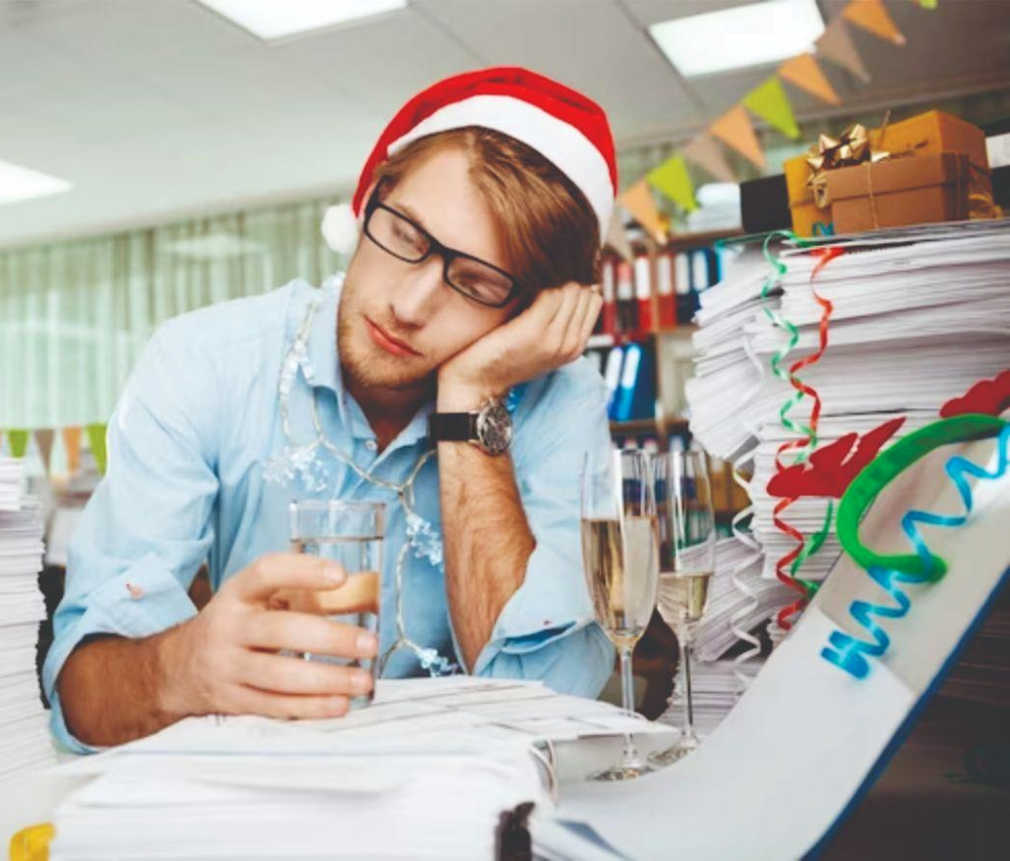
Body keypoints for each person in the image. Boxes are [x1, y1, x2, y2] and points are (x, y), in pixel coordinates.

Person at [45, 67, 620, 751]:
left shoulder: (560, 398)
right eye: (404, 234)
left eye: (476, 282)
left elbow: (548, 707)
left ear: (528, 310)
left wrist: (471, 399)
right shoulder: (203, 359)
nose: (408, 306)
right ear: (366, 201)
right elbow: (82, 698)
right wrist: (181, 667)